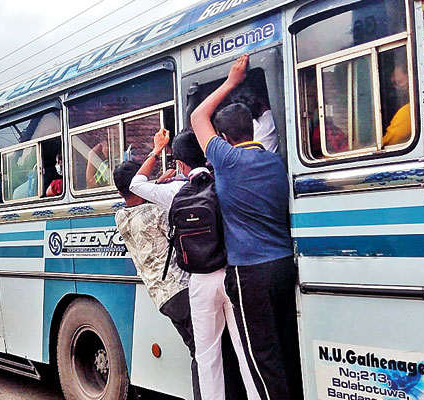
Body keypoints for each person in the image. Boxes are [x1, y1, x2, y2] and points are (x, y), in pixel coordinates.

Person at [191, 55, 301, 400]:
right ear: (252, 130)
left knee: (261, 359)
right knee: (284, 350)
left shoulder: (227, 160)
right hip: (284, 266)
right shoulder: (274, 161)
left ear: (223, 137)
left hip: (249, 274)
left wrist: (231, 81)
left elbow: (197, 116)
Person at [129, 128, 258, 400]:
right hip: (231, 274)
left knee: (207, 354)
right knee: (244, 349)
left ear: (180, 163)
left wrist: (156, 149)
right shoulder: (224, 179)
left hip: (199, 280)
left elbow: (136, 185)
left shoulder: (176, 190)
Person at [112, 159, 200, 400]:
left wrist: (154, 187)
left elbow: (141, 205)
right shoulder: (156, 213)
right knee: (205, 354)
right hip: (181, 290)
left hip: (162, 297)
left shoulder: (121, 217)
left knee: (197, 351)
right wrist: (160, 189)